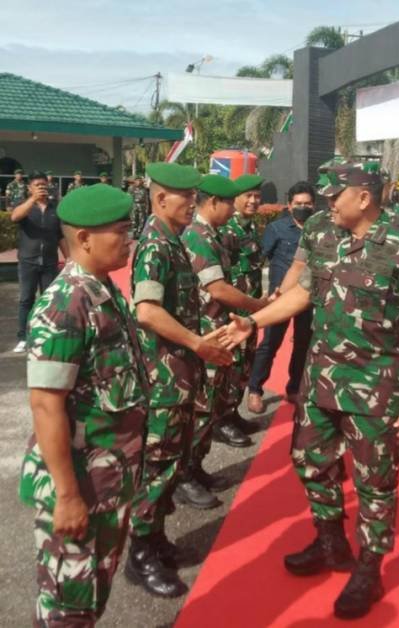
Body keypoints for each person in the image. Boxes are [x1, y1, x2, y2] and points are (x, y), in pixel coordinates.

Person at [223, 162, 399, 619]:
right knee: (308, 461)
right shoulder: (324, 237)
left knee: (374, 482)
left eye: (334, 195)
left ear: (363, 197)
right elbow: (303, 293)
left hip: (376, 389)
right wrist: (253, 321)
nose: (326, 203)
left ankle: (369, 568)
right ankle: (330, 541)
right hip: (321, 381)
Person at [19, 184, 147, 626]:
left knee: (90, 596)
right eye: (121, 230)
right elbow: (45, 405)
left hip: (109, 480)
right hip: (81, 485)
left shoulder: (102, 289)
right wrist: (68, 496)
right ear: (85, 238)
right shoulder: (65, 303)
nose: (129, 238)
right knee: (67, 606)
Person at [125, 163, 234, 597]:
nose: (192, 203)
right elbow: (147, 311)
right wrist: (198, 343)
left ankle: (155, 538)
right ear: (159, 199)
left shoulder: (173, 241)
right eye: (183, 196)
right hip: (163, 375)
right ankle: (140, 553)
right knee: (156, 463)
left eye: (194, 196)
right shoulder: (154, 244)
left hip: (180, 372)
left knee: (170, 461)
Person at [179, 174, 268, 499]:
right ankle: (183, 477)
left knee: (212, 403)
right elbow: (217, 289)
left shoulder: (211, 234)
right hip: (207, 333)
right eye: (229, 202)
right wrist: (257, 306)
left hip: (219, 331)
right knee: (202, 408)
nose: (233, 209)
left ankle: (196, 468)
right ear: (213, 202)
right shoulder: (199, 236)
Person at [246, 181, 316, 414]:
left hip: (308, 296)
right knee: (269, 343)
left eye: (307, 204)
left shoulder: (320, 228)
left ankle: (294, 387)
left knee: (303, 344)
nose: (303, 207)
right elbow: (260, 259)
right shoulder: (277, 229)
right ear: (289, 205)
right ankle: (255, 389)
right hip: (281, 296)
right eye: (298, 204)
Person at [219, 174, 266, 424]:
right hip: (233, 312)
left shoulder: (250, 226)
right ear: (235, 198)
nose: (253, 201)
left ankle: (233, 412)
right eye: (248, 195)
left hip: (251, 310)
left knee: (245, 364)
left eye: (257, 196)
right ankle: (222, 420)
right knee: (231, 365)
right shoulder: (227, 229)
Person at [9, 171, 68, 353]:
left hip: (49, 261)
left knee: (48, 300)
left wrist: (70, 258)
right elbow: (15, 217)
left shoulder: (54, 209)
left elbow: (60, 236)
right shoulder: (26, 206)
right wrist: (32, 200)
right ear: (30, 188)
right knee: (26, 299)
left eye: (43, 185)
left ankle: (45, 334)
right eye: (37, 185)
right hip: (28, 261)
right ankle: (23, 337)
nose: (42, 188)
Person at [127, 173, 150, 238]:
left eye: (139, 180)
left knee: (142, 220)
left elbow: (146, 199)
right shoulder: (131, 188)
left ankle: (139, 233)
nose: (138, 182)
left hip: (142, 206)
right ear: (134, 181)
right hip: (134, 205)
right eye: (137, 180)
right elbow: (129, 198)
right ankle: (134, 233)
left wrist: (147, 208)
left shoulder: (144, 189)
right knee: (134, 220)